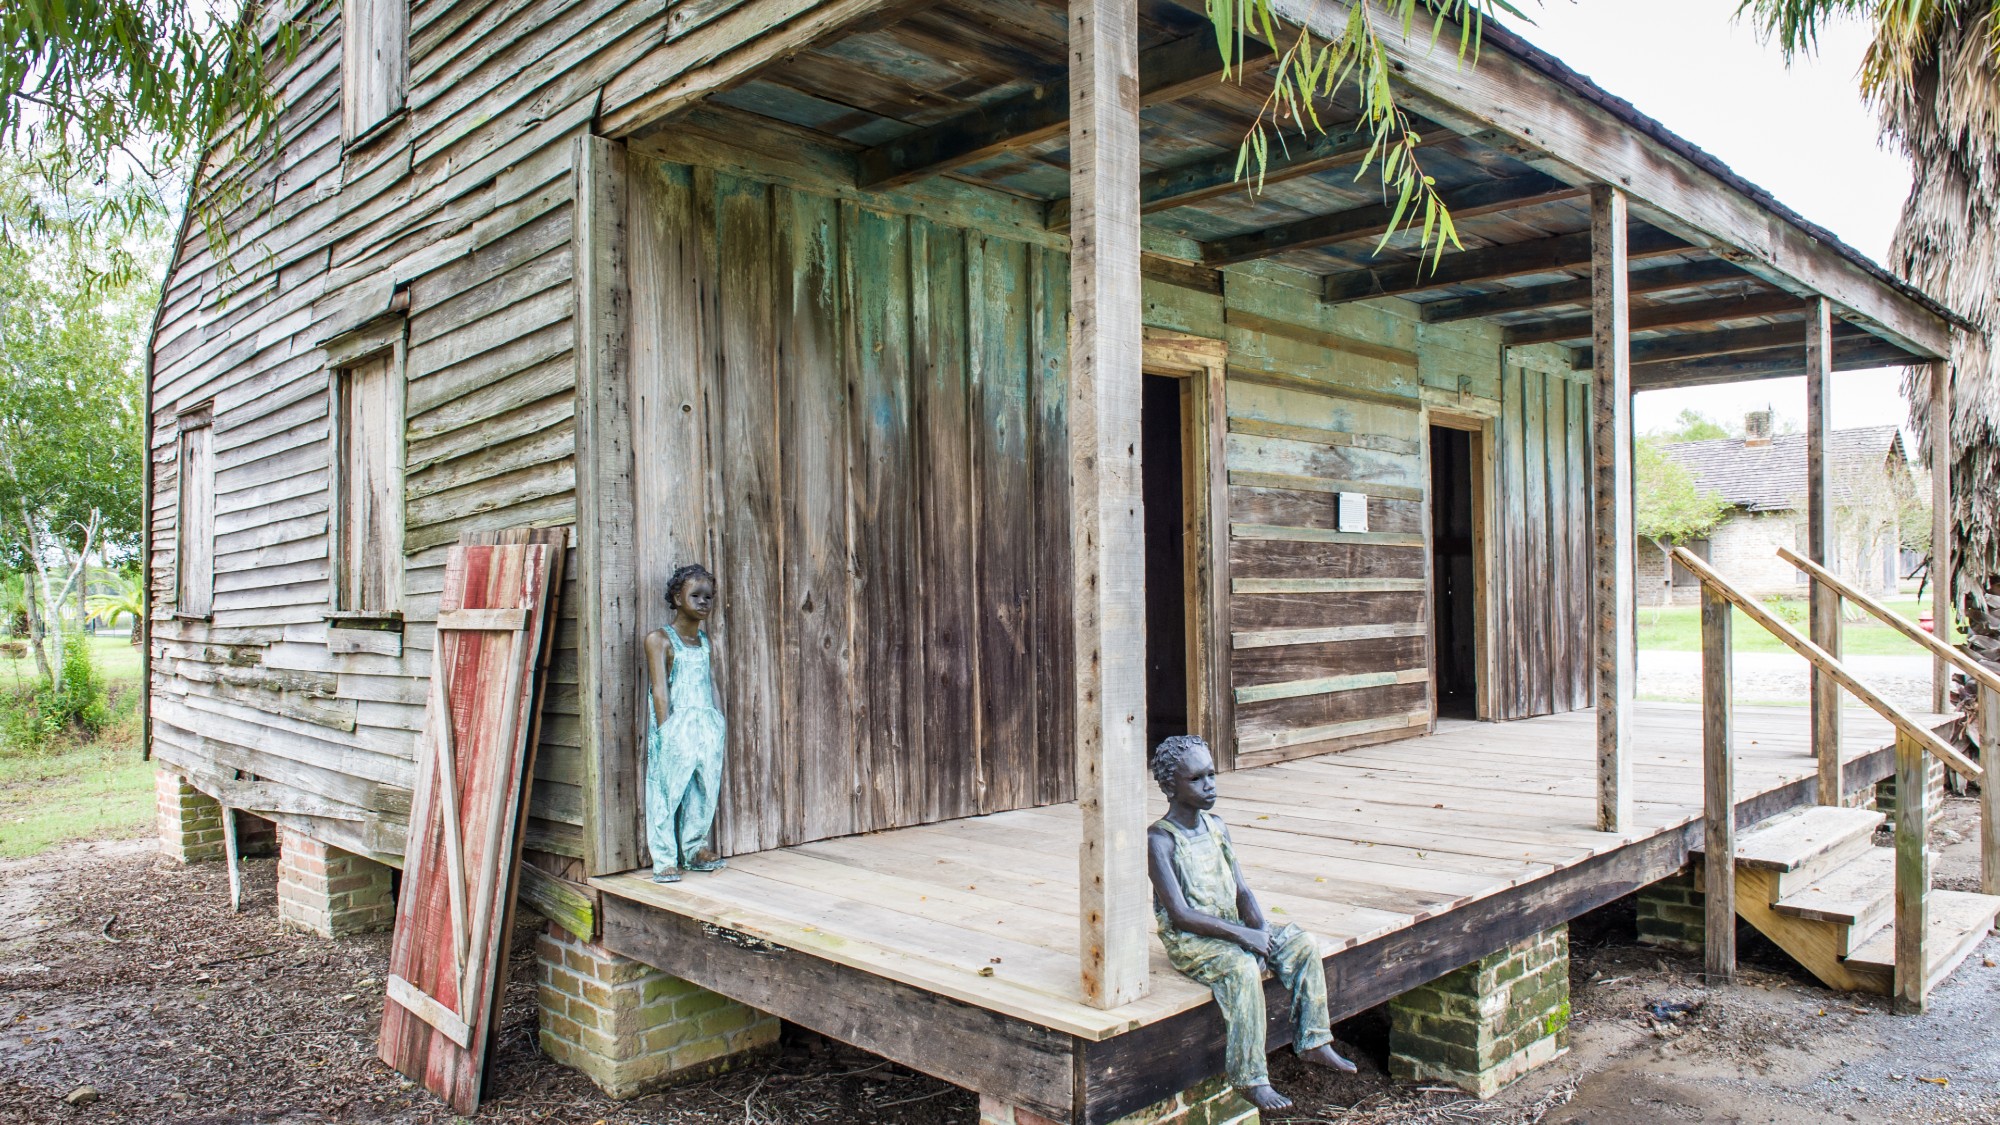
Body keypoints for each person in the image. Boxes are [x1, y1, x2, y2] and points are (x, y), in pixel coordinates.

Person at [1147, 734, 1356, 1111]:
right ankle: (1250, 1077)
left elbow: (1242, 891)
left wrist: (1259, 931)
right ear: (1169, 786)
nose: (1209, 785)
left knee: (1301, 942)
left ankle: (1314, 1039)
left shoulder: (1217, 827)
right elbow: (1181, 914)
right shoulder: (1160, 840)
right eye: (1195, 779)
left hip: (1232, 927)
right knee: (1242, 969)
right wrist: (1247, 941)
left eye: (1211, 774)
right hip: (1193, 940)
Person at [642, 563, 728, 883]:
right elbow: (659, 689)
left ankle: (694, 848)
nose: (704, 602)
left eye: (709, 596)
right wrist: (667, 730)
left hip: (706, 724)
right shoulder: (660, 639)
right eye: (696, 595)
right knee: (666, 791)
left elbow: (711, 683)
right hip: (677, 724)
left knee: (704, 790)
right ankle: (664, 858)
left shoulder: (705, 642)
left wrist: (717, 721)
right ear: (678, 598)